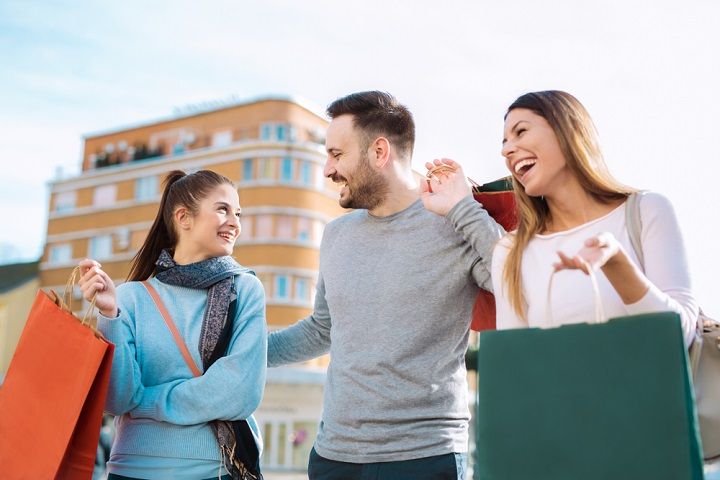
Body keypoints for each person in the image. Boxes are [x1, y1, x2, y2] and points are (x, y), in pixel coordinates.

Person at [267, 91, 503, 480]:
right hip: (334, 457)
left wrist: (464, 209)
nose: (327, 170)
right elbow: (322, 328)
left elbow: (516, 282)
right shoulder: (336, 235)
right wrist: (239, 351)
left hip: (424, 458)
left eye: (337, 155)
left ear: (379, 152)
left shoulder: (454, 223)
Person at [78, 170, 267, 480]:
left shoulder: (243, 290)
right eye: (223, 209)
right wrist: (109, 315)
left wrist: (148, 400)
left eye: (238, 213)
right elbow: (119, 399)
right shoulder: (129, 298)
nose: (235, 222)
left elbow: (239, 392)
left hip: (209, 471)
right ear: (184, 217)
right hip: (130, 470)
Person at [487, 90, 698, 340]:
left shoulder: (646, 211)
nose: (507, 150)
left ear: (570, 128)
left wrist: (617, 263)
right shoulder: (510, 251)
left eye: (521, 132)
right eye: (504, 143)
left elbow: (678, 337)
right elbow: (516, 362)